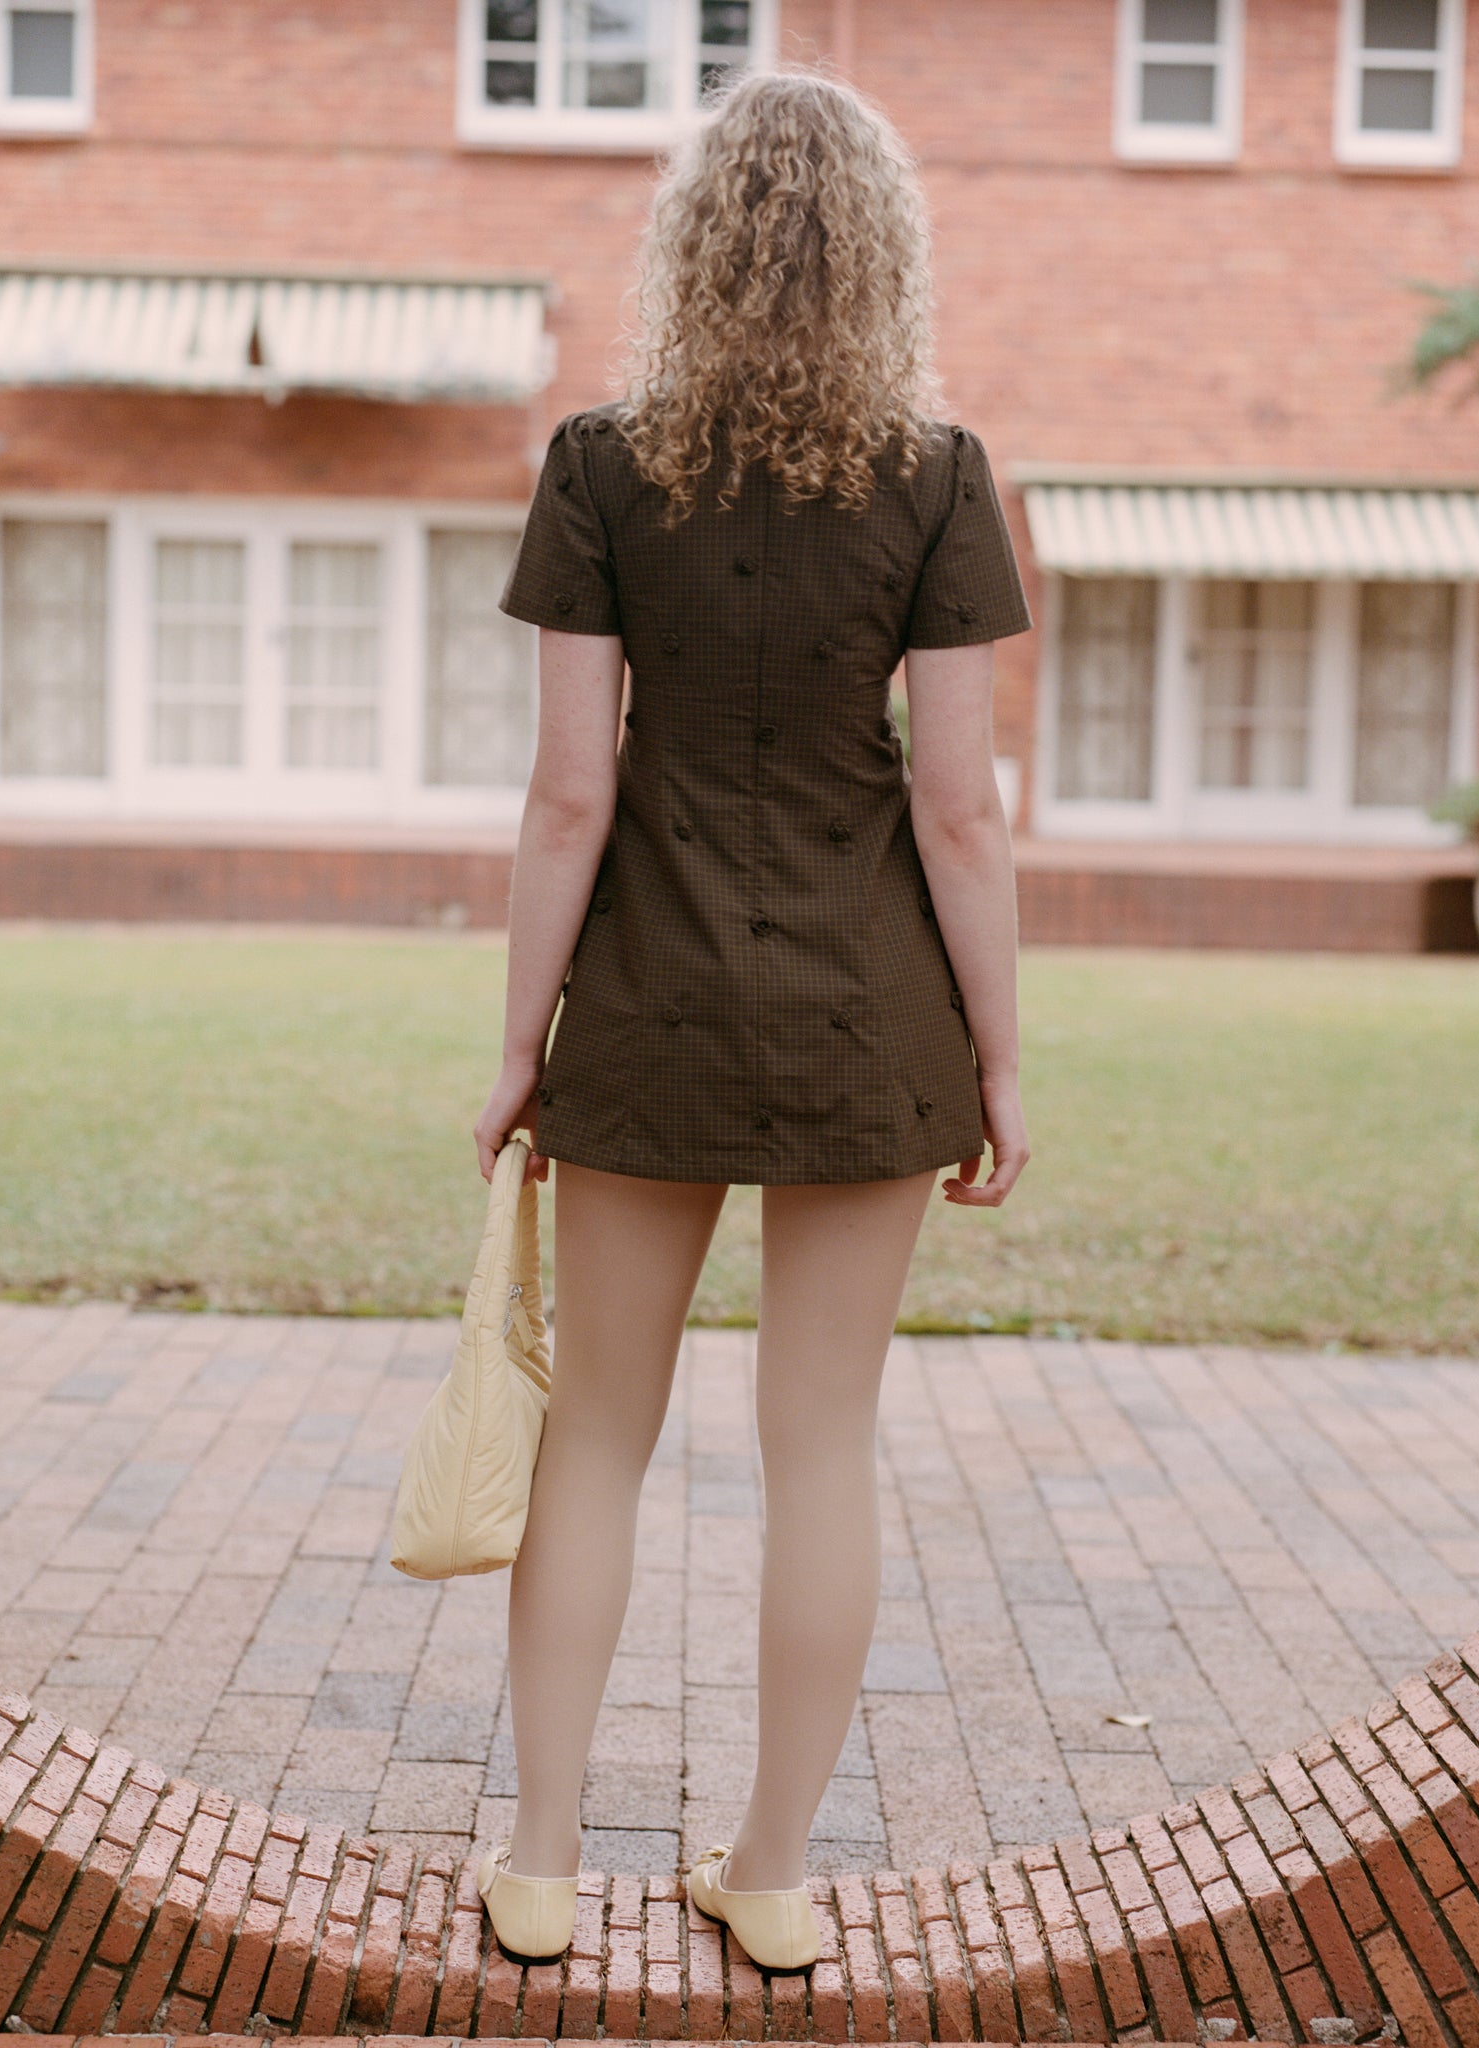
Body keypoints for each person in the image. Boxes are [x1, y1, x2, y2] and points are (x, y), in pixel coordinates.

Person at [469, 64, 1033, 1974]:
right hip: (873, 1014)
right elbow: (957, 805)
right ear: (881, 251)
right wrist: (1002, 1053)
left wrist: (518, 1037)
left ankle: (541, 1861)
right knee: (823, 1448)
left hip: (645, 1005)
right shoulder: (937, 475)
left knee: (599, 1439)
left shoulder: (604, 463)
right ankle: (770, 1877)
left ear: (691, 242)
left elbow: (569, 791)